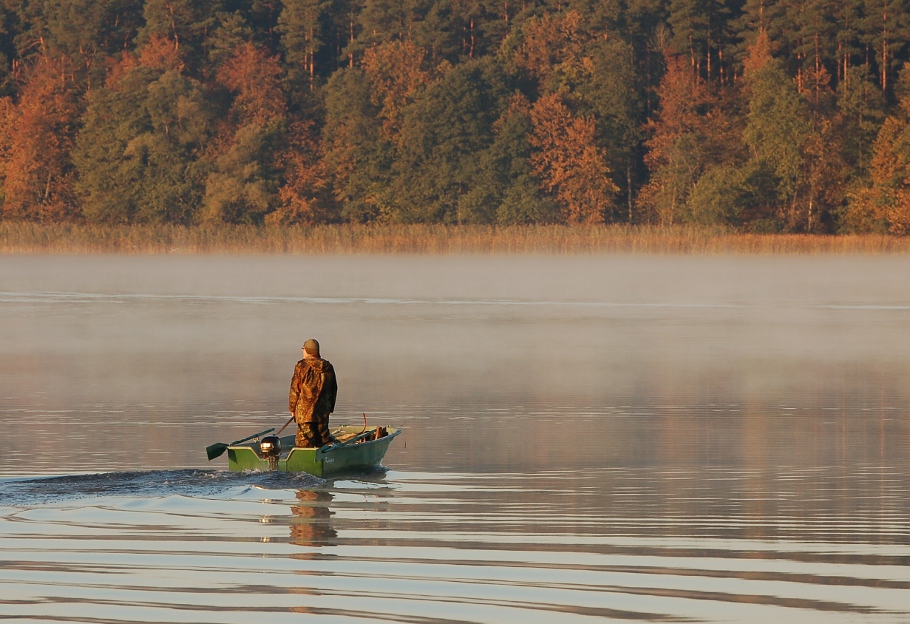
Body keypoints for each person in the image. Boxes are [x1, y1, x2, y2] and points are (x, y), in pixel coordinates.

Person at [288, 339, 338, 448]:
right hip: (322, 413)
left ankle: (307, 463)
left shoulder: (301, 367)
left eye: (303, 349)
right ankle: (326, 461)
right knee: (324, 440)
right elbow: (333, 389)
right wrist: (330, 408)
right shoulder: (328, 367)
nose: (302, 352)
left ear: (307, 351)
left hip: (304, 413)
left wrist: (292, 409)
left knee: (304, 443)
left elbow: (295, 390)